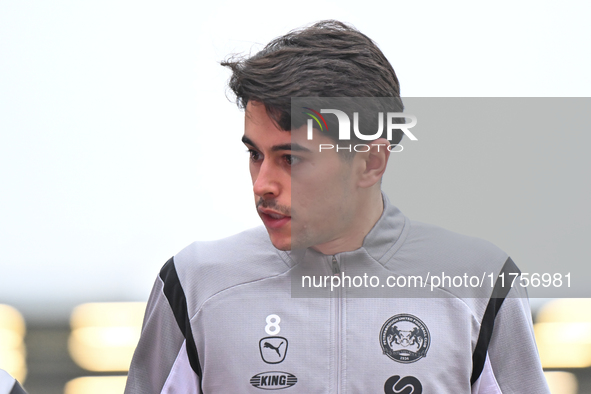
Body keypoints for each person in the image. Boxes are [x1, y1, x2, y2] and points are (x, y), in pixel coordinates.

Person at [124, 20, 550, 393]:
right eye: (255, 154)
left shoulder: (482, 285)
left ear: (370, 161)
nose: (262, 184)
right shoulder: (193, 283)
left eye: (291, 159)